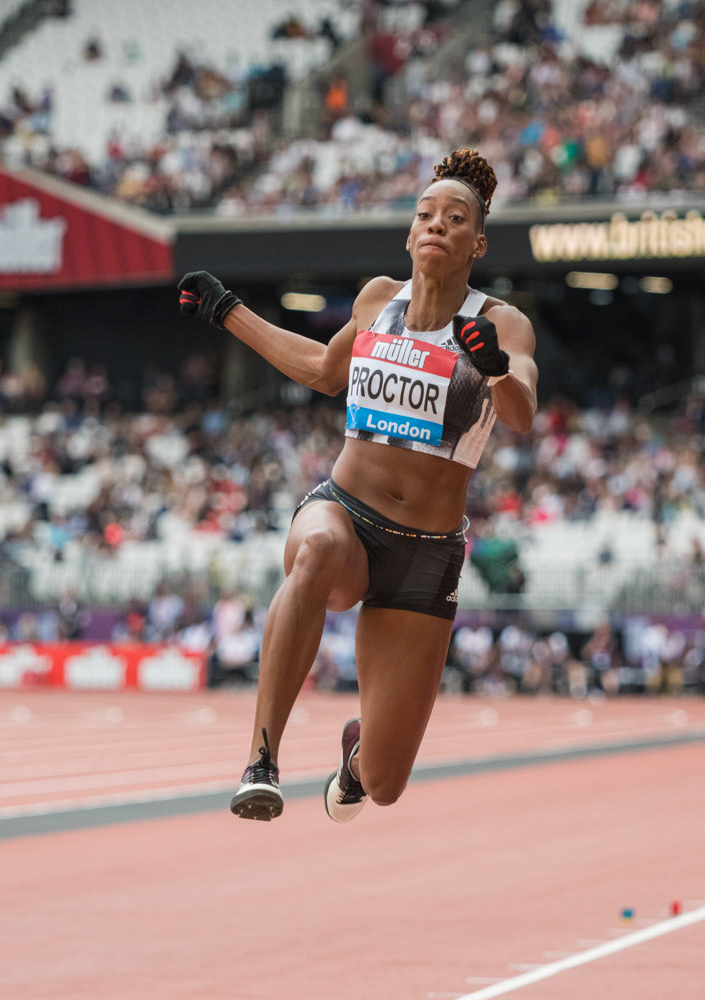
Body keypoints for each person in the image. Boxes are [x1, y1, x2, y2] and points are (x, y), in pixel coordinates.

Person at [178, 148, 539, 823]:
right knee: (314, 554)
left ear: (477, 241)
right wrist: (227, 309)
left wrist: (492, 367)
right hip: (344, 515)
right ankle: (262, 762)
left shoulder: (504, 323)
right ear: (409, 234)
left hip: (426, 554)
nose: (437, 225)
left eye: (455, 218)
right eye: (425, 214)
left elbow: (520, 414)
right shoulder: (379, 300)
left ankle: (354, 756)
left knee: (385, 781)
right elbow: (322, 368)